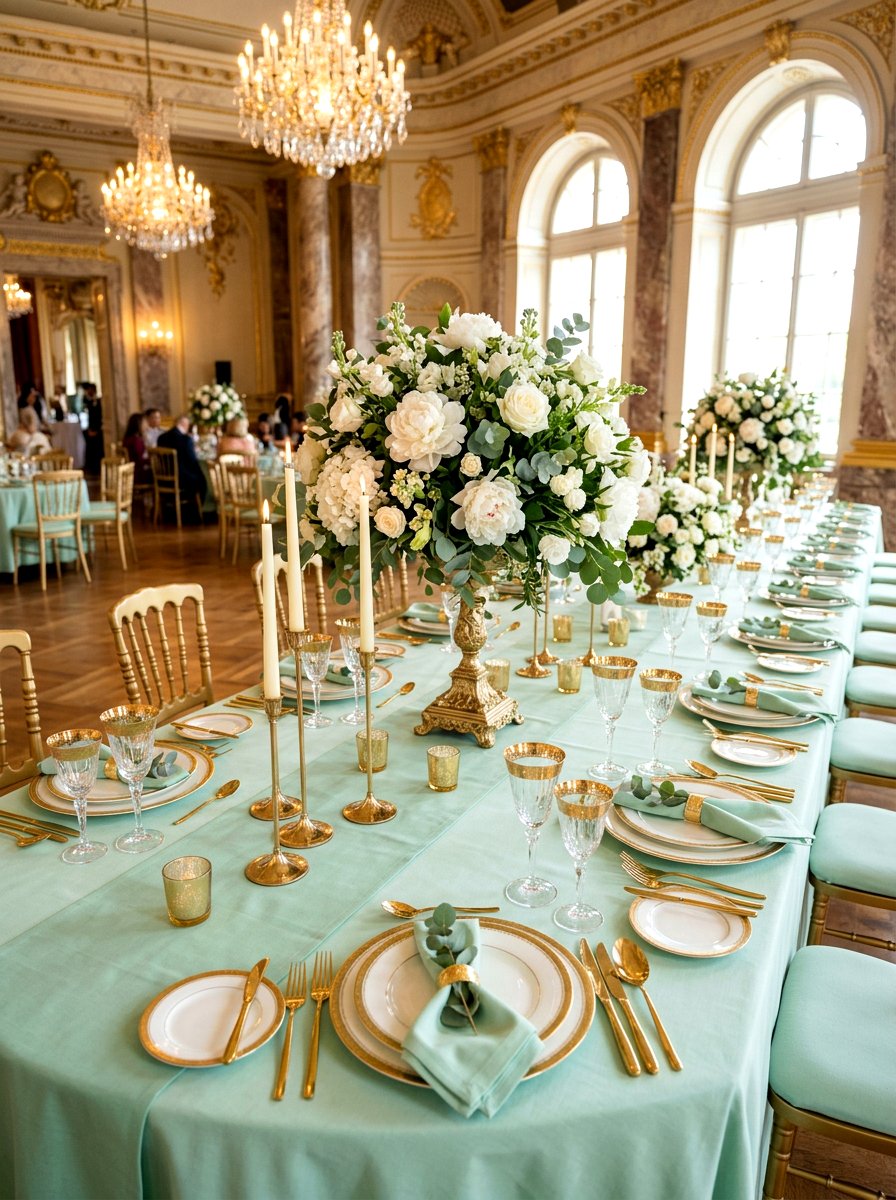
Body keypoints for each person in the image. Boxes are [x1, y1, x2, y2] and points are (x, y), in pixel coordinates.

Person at [157, 413, 207, 505]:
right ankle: (200, 511)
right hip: (181, 480)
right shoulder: (185, 439)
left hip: (162, 479)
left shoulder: (161, 438)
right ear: (185, 424)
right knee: (202, 479)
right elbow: (192, 461)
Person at [122, 412, 151, 485]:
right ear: (139, 424)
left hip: (132, 471)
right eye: (145, 423)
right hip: (138, 474)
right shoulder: (136, 440)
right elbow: (139, 460)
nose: (147, 425)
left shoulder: (128, 438)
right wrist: (152, 460)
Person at [83, 382, 104, 475]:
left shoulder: (98, 401)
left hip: (97, 429)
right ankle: (92, 468)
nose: (88, 392)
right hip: (91, 428)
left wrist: (96, 430)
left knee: (97, 450)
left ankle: (97, 468)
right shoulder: (88, 401)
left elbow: (99, 417)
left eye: (89, 390)